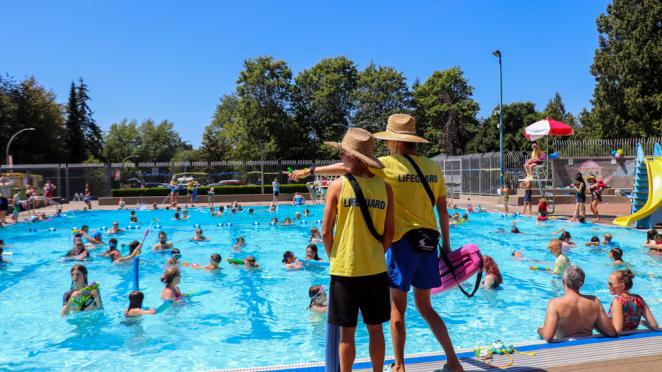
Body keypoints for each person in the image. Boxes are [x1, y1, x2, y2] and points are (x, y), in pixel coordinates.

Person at [290, 114, 462, 372]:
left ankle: (400, 364)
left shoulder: (388, 165)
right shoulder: (433, 167)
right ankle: (454, 361)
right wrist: (446, 246)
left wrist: (311, 171)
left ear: (393, 141)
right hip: (428, 244)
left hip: (403, 245)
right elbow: (443, 211)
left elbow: (348, 168)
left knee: (396, 310)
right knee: (426, 307)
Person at [319, 127, 395, 372]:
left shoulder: (338, 186)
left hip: (345, 270)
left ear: (351, 156)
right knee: (376, 329)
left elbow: (325, 232)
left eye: (342, 152)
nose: (341, 156)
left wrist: (335, 256)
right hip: (375, 269)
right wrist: (374, 254)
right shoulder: (386, 188)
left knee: (347, 333)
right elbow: (389, 234)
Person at [537, 265, 616, 341]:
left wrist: (540, 331)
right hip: (589, 345)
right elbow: (611, 332)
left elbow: (548, 337)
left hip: (566, 348)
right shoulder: (594, 301)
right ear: (582, 283)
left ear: (563, 281)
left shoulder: (555, 303)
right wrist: (594, 323)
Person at [608, 269, 658, 334]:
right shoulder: (639, 299)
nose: (608, 286)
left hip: (620, 341)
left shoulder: (617, 301)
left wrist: (598, 326)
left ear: (622, 286)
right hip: (633, 337)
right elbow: (654, 325)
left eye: (611, 284)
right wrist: (641, 322)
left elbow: (617, 331)